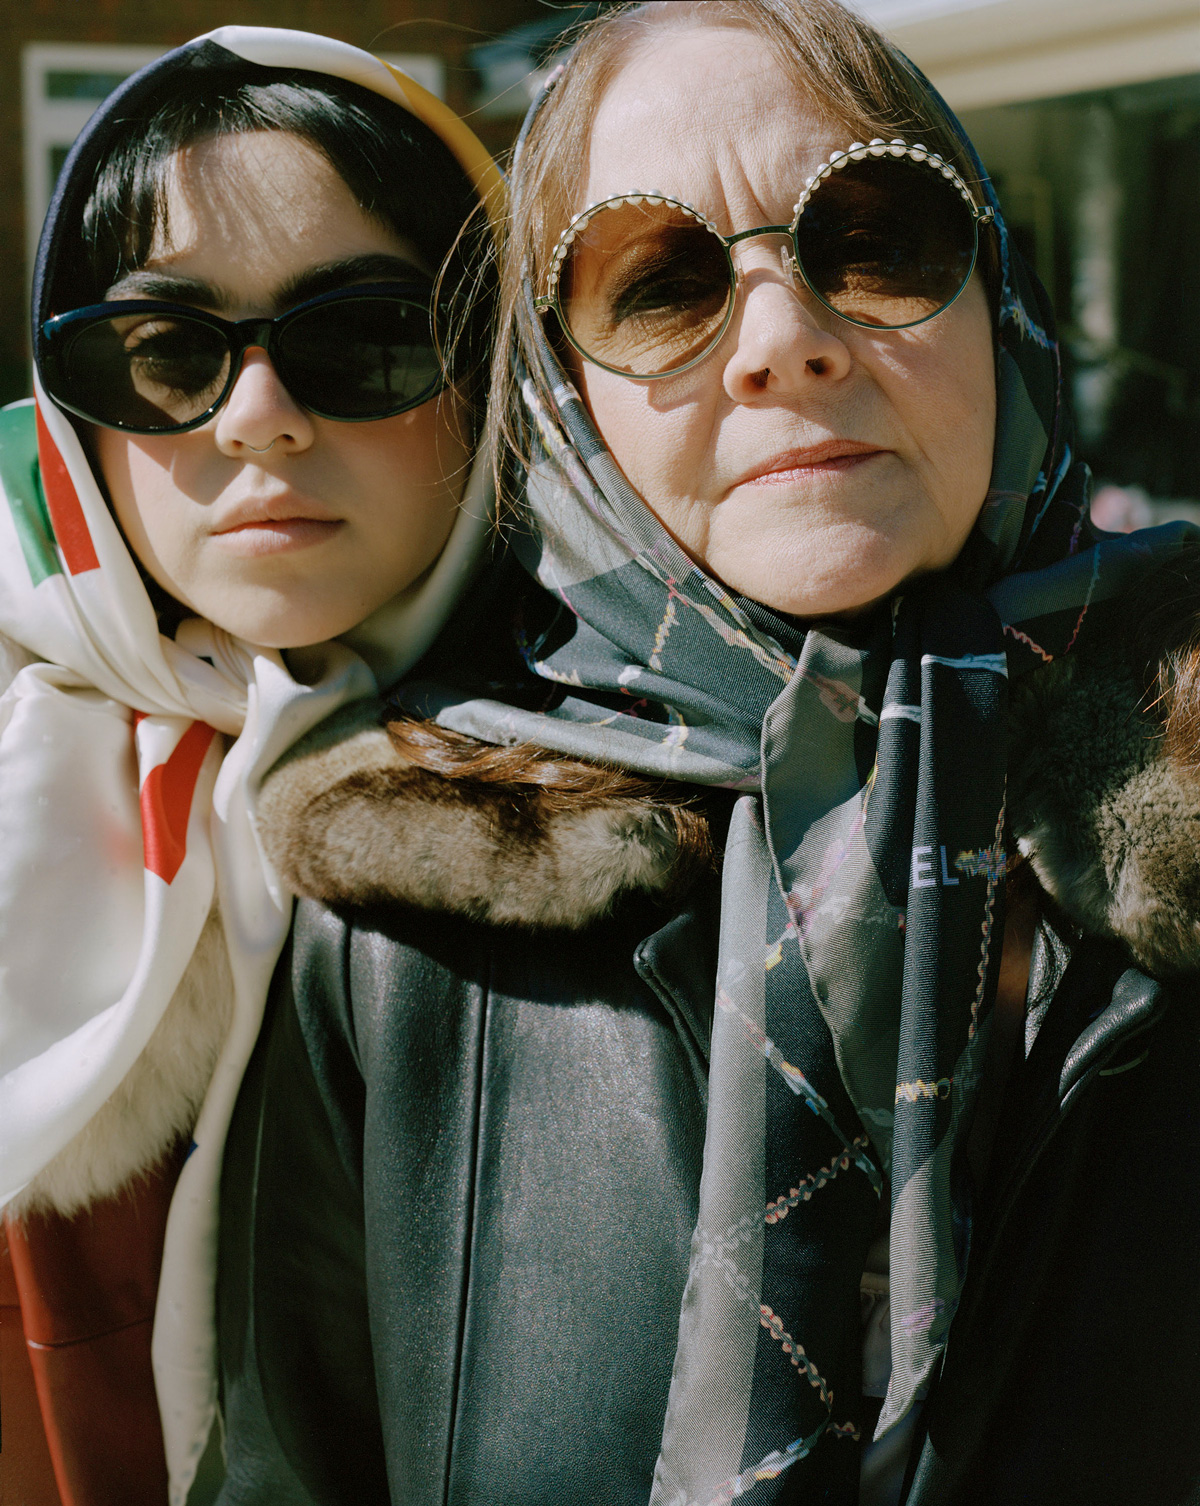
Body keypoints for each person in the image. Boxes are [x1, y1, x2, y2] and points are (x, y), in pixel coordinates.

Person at [233, 2, 1200, 1503]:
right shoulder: (406, 918)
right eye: (660, 283)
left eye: (876, 237)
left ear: (995, 299)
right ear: (565, 402)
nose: (785, 342)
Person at [0, 27, 500, 1506]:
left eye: (364, 339)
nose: (256, 415)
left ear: (497, 370)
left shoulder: (677, 795)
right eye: (166, 353)